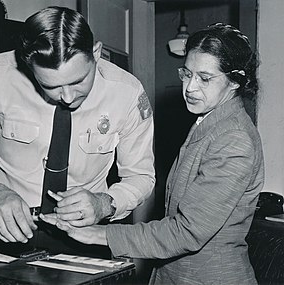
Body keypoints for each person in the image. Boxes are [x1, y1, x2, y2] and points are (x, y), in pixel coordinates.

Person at [42, 23, 265, 284]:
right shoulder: (210, 123)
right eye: (187, 74)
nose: (190, 87)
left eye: (204, 78)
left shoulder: (234, 139)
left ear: (235, 81)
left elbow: (188, 231)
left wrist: (98, 234)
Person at [0, 6, 155, 252]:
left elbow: (141, 176)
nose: (67, 97)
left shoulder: (127, 93)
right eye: (50, 86)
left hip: (88, 237)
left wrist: (105, 203)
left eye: (78, 81)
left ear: (96, 53)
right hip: (7, 236)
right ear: (27, 64)